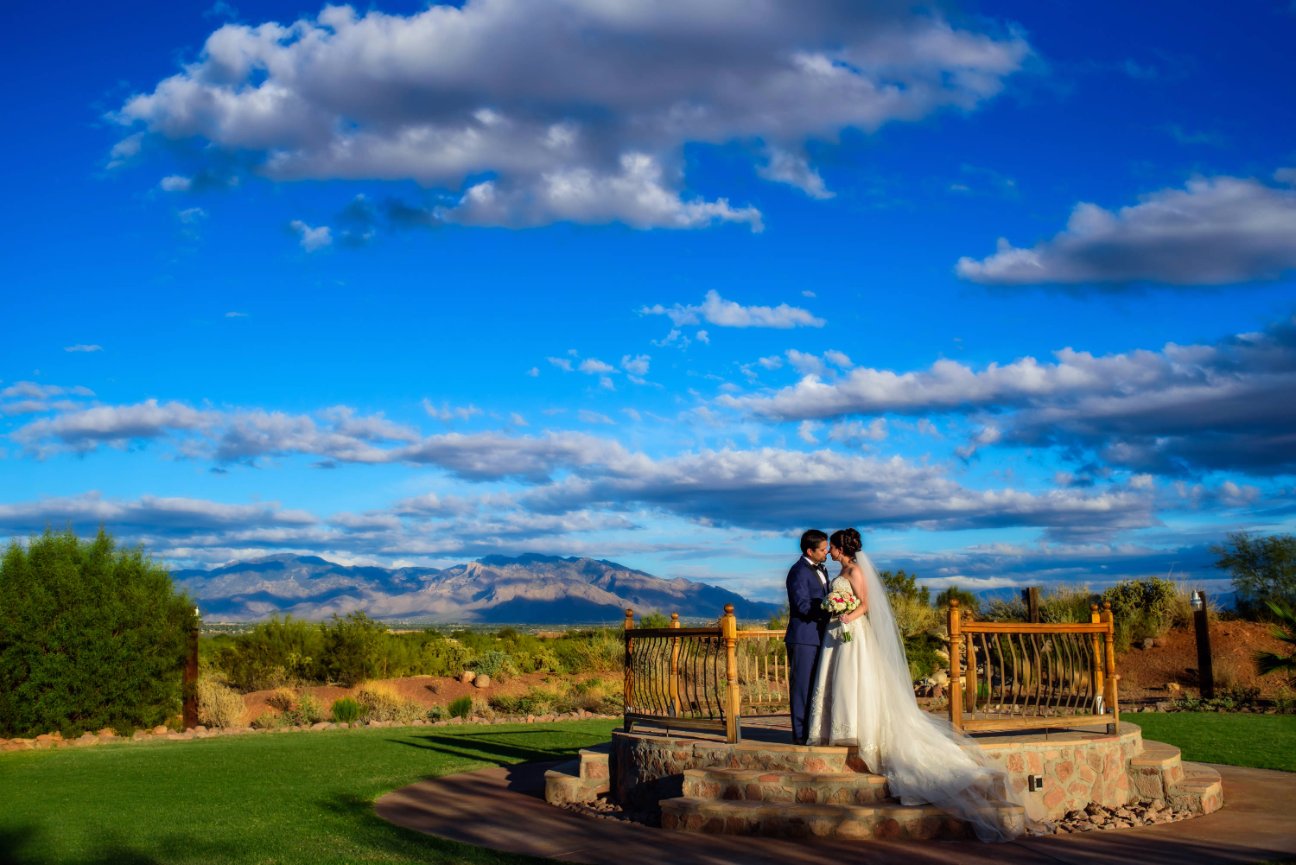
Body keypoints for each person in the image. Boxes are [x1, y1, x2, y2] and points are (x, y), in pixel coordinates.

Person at [805, 528, 1023, 842]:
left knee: (857, 680)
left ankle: (860, 731)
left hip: (853, 632)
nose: (831, 551)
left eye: (833, 547)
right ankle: (838, 728)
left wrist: (848, 615)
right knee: (838, 681)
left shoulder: (854, 570)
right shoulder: (840, 570)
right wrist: (835, 610)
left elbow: (865, 604)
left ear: (841, 548)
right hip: (838, 634)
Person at [785, 529, 830, 746]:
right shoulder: (798, 572)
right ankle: (800, 735)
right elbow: (802, 605)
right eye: (822, 549)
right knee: (802, 687)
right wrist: (830, 609)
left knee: (816, 686)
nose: (827, 552)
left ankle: (813, 731)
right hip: (803, 636)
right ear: (809, 551)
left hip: (819, 636)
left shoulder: (821, 569)